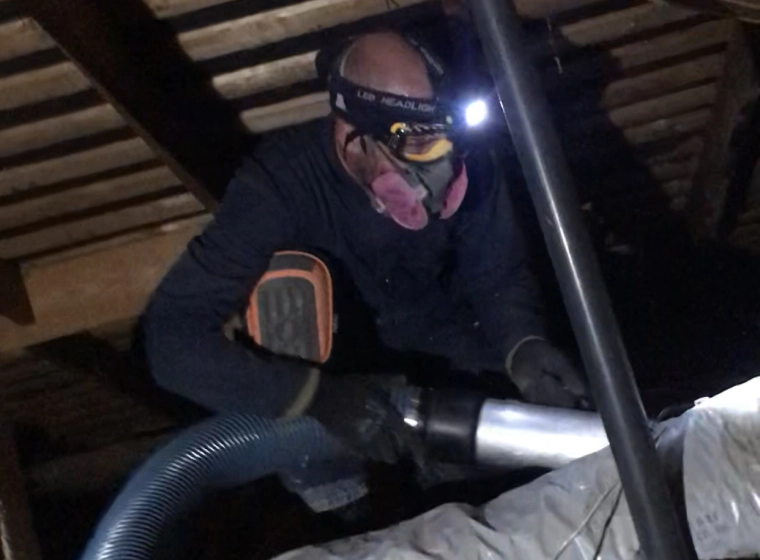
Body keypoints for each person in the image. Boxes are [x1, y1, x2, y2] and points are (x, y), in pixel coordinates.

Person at [141, 31, 587, 470]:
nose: (444, 166)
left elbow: (498, 273)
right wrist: (316, 398)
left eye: (447, 139)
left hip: (445, 351)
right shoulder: (280, 185)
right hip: (337, 383)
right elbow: (170, 339)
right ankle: (331, 488)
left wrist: (522, 346)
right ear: (352, 134)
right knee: (284, 284)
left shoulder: (470, 159)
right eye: (418, 142)